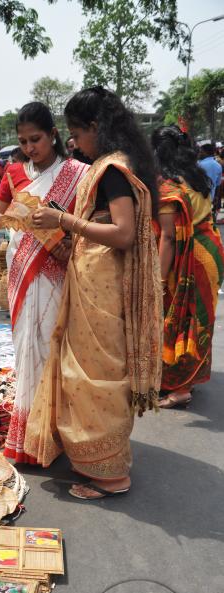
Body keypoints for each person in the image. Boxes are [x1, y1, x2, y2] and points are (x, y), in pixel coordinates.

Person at [22, 87, 162, 500]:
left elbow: (122, 233)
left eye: (76, 133)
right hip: (92, 282)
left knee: (98, 377)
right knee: (86, 374)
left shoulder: (112, 170)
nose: (73, 142)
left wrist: (64, 220)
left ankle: (111, 474)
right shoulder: (107, 166)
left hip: (102, 288)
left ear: (96, 129)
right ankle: (100, 461)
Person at [0, 102, 88, 462]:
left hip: (56, 272)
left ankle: (54, 434)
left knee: (51, 349)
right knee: (26, 348)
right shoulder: (12, 172)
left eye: (36, 139)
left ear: (54, 134)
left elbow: (83, 228)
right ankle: (29, 434)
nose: (29, 148)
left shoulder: (78, 173)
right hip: (22, 271)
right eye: (23, 141)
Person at [152, 126, 224, 408]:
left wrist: (158, 280)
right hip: (212, 249)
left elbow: (169, 237)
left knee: (178, 314)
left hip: (189, 255)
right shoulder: (198, 175)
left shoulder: (168, 186)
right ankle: (189, 377)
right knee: (200, 317)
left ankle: (179, 387)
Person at [198, 143, 222, 217]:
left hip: (197, 198)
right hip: (210, 197)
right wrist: (216, 197)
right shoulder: (218, 166)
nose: (199, 154)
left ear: (205, 153)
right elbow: (218, 184)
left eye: (200, 152)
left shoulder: (198, 164)